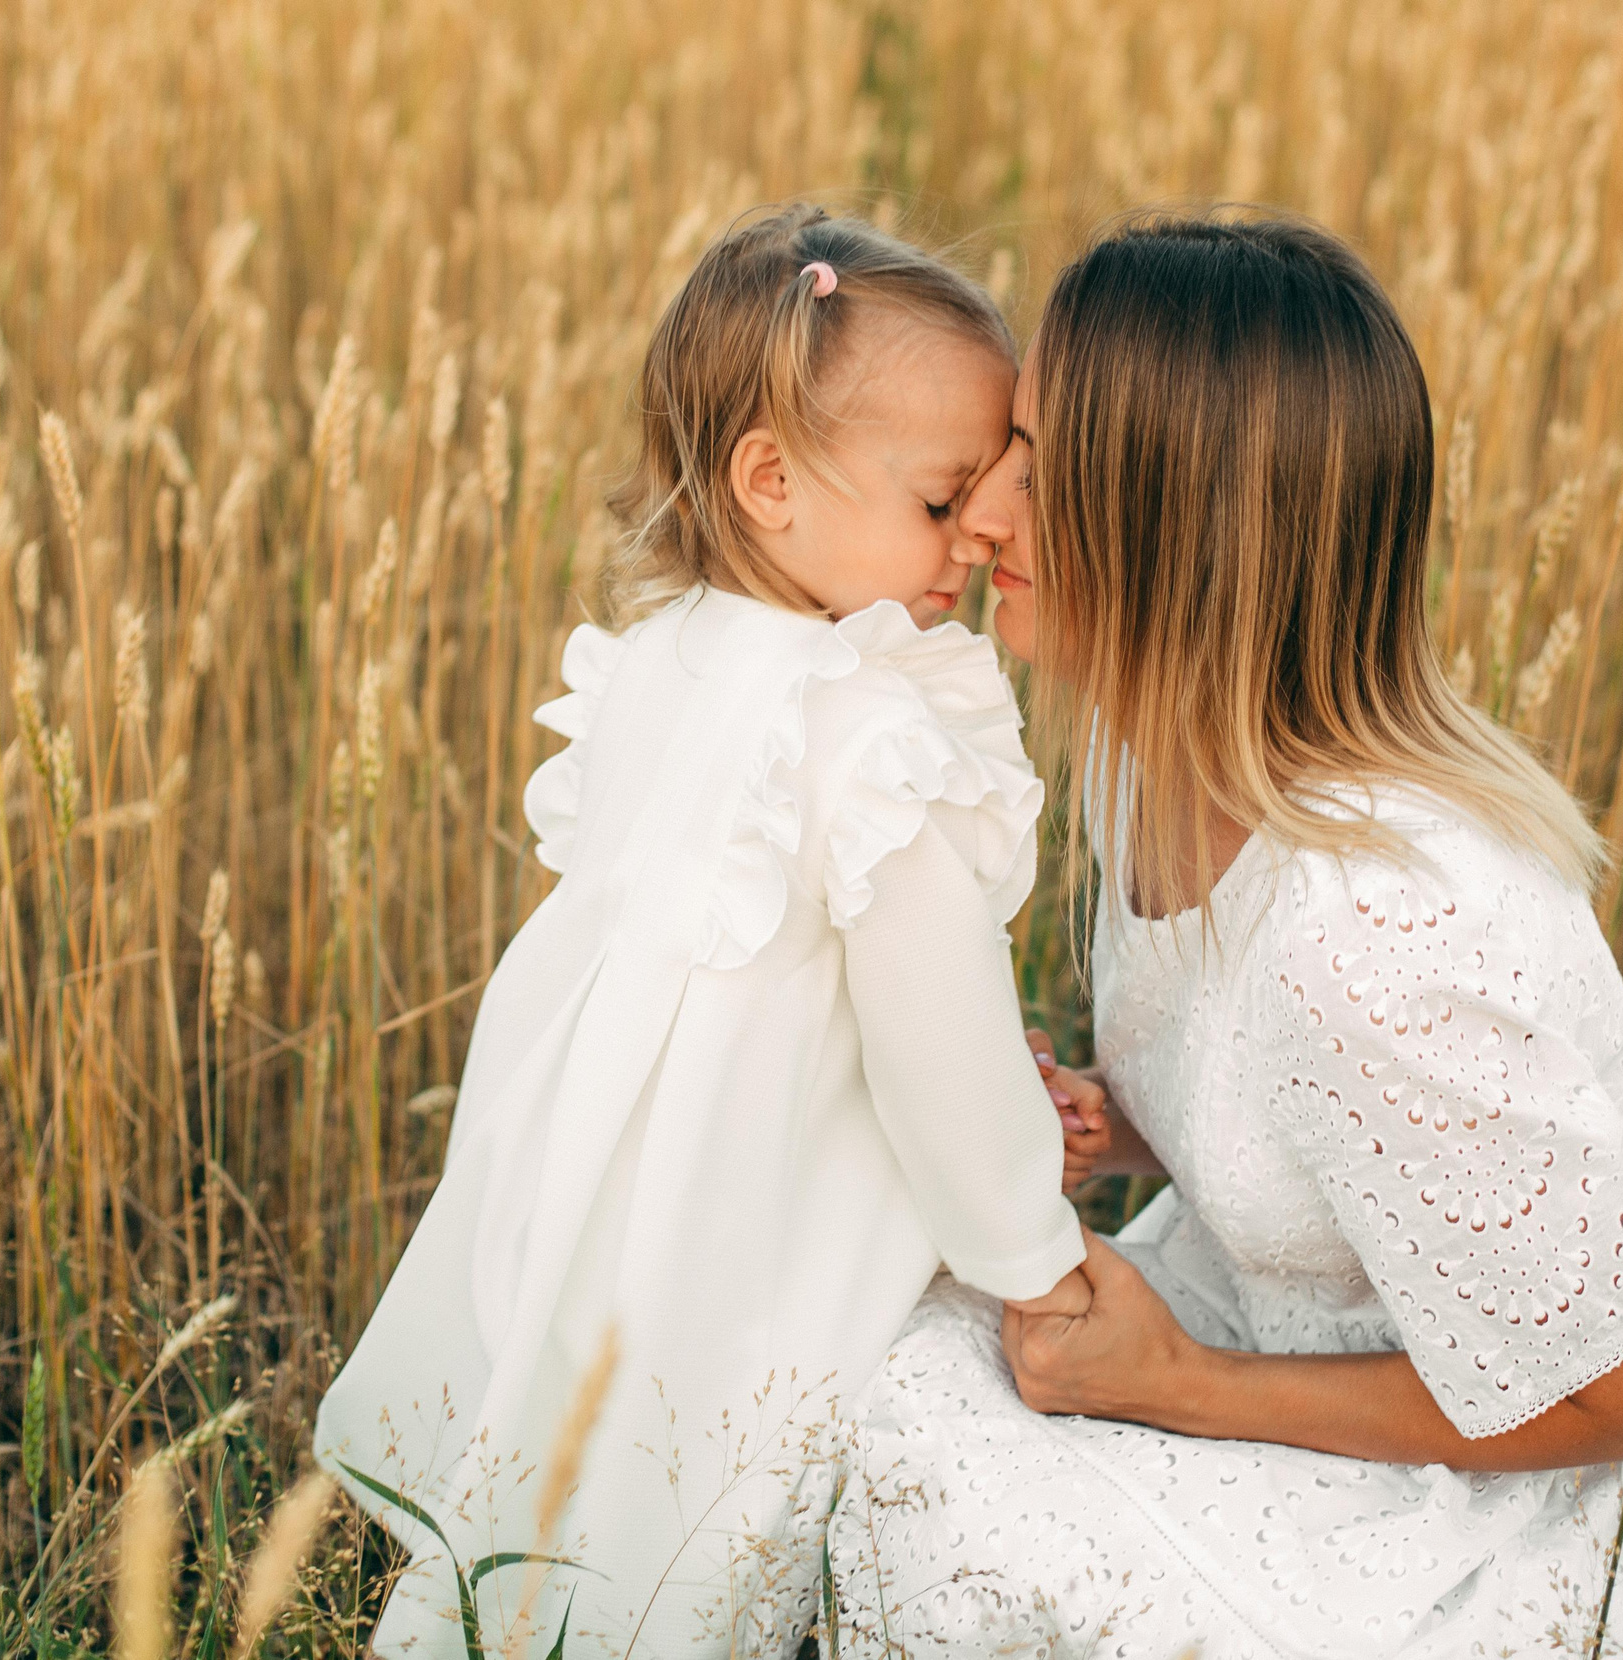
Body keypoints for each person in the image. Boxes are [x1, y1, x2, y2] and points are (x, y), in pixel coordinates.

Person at [831, 213, 1623, 1659]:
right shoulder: (1140, 754)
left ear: (1182, 528)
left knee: (963, 1503)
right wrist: (1117, 1126)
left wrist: (1178, 1383)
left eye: (1041, 467)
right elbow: (1267, 1097)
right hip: (1304, 1328)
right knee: (882, 1372)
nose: (981, 513)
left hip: (1533, 1474)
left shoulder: (1386, 939)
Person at [316, 203, 1099, 1660]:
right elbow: (934, 1048)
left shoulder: (660, 660)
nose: (977, 545)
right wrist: (1034, 1252)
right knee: (709, 1511)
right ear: (770, 481)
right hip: (757, 1208)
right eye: (941, 503)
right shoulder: (867, 724)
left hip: (609, 1183)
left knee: (583, 1480)